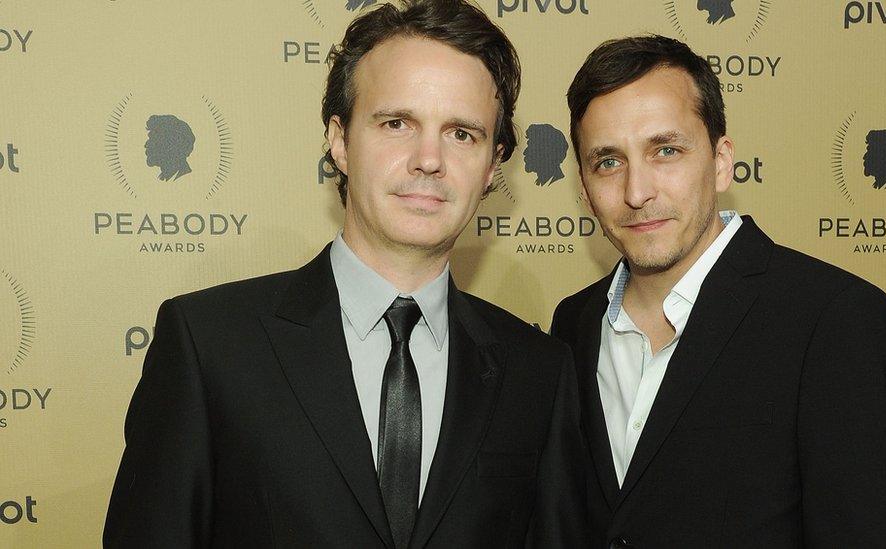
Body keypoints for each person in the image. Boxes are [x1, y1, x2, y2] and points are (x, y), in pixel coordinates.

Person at [104, 1, 586, 547]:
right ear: (340, 140)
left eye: (462, 134)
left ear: (494, 164)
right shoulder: (209, 344)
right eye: (397, 123)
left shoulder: (539, 372)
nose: (429, 159)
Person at [551, 35, 886, 548]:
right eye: (608, 161)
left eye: (666, 151)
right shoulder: (573, 324)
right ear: (584, 186)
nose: (637, 192)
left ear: (722, 161)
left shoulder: (834, 319)